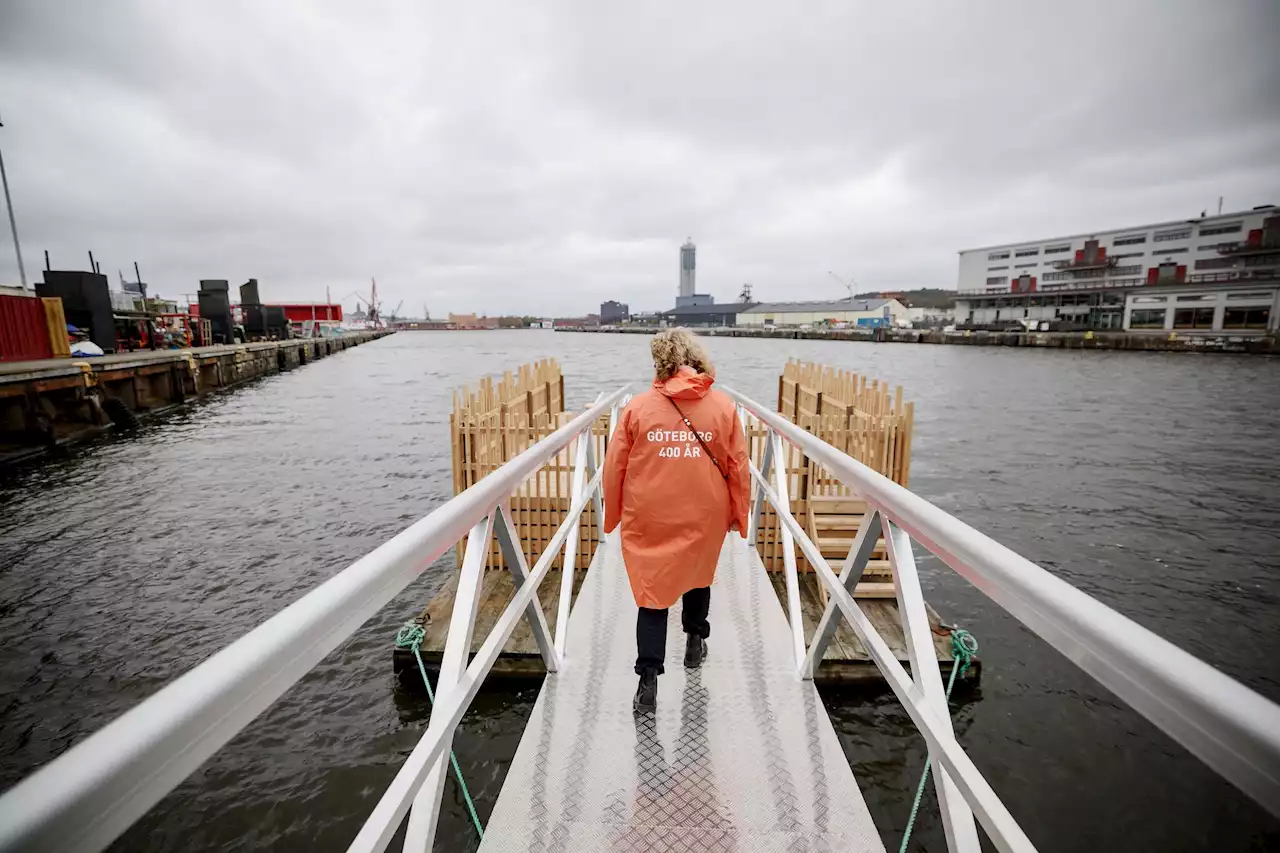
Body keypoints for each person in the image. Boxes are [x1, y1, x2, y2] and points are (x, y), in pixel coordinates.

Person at [603, 329, 750, 712]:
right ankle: (693, 643)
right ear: (696, 358)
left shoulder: (637, 408)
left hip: (650, 514)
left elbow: (614, 467)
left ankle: (647, 680)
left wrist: (613, 515)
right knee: (697, 576)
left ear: (660, 362)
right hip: (705, 512)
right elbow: (738, 468)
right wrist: (739, 514)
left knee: (652, 594)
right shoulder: (723, 407)